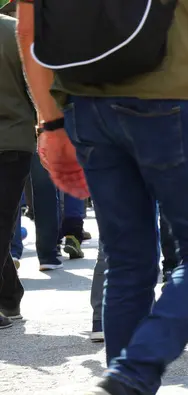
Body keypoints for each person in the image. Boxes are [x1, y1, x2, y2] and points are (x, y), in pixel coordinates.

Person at [17, 1, 188, 395]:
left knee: (128, 261)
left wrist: (51, 122)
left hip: (85, 103)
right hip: (170, 94)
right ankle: (132, 374)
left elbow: (29, 28)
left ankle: (126, 379)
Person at [0, 6, 34, 329]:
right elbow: (35, 87)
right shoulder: (15, 32)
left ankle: (10, 297)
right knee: (3, 222)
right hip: (13, 140)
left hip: (13, 140)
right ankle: (9, 296)